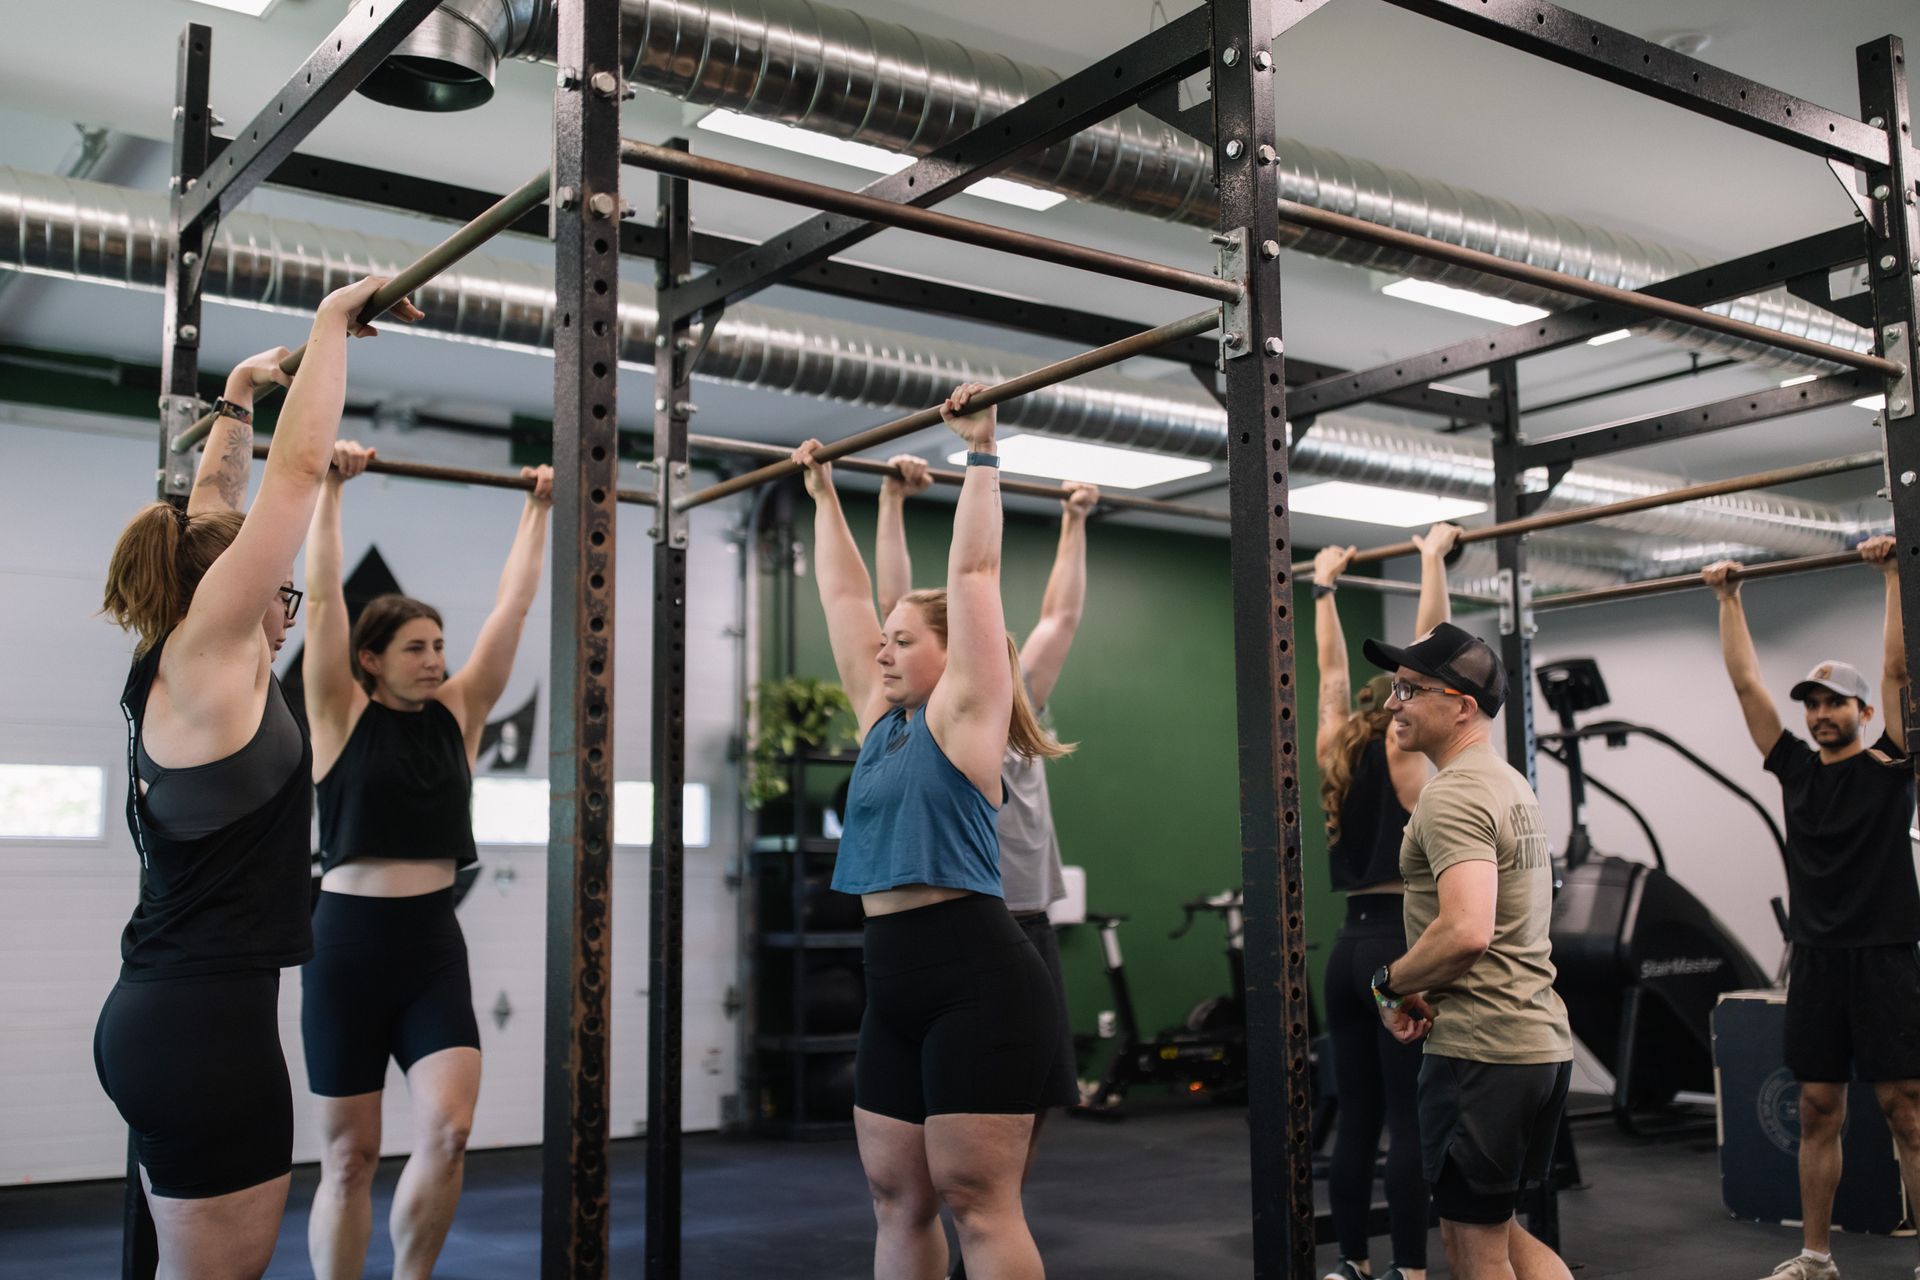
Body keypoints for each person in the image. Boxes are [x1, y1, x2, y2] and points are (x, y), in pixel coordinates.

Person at [95, 277, 417, 1280]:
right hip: (201, 1031)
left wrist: (238, 390)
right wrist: (331, 326)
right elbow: (294, 480)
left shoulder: (175, 652)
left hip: (178, 1015)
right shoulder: (212, 648)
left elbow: (219, 507)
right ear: (230, 593)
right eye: (280, 592)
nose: (288, 609)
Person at [791, 382, 1069, 1280]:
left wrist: (981, 452)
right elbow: (842, 599)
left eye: (903, 640)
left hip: (976, 977)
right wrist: (824, 493)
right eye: (888, 640)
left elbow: (975, 576)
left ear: (955, 656)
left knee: (978, 1205)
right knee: (896, 1201)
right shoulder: (883, 721)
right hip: (892, 980)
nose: (882, 650)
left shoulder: (967, 716)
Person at [300, 440, 554, 1279]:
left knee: (448, 1131)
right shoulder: (338, 711)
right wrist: (331, 489)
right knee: (350, 1158)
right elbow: (327, 600)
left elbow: (511, 613)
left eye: (439, 643)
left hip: (430, 946)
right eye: (415, 646)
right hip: (345, 945)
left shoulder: (459, 713)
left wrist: (539, 508)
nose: (437, 658)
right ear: (371, 660)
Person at [874, 455, 1096, 1272]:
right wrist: (891, 503)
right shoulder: (934, 720)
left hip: (1022, 931)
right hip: (963, 927)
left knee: (1020, 1132)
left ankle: (987, 1236)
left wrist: (1074, 521)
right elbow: (887, 614)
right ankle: (978, 1226)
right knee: (945, 1162)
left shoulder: (1013, 697)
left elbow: (1060, 615)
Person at [1702, 537, 1920, 1280]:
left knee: (1907, 1112)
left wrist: (1893, 575)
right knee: (1819, 1107)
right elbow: (1747, 687)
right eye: (1814, 704)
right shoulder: (1795, 770)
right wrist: (1729, 600)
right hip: (1818, 961)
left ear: (1862, 711)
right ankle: (1816, 1258)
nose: (1822, 713)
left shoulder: (1891, 765)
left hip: (1887, 954)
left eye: (1835, 703)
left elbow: (1897, 668)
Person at [1362, 622, 1574, 1280]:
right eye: (1396, 688)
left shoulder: (1451, 795)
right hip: (1535, 1045)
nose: (1393, 703)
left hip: (1482, 1053)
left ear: (1462, 706)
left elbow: (1466, 932)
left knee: (1471, 1249)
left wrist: (1388, 982)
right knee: (1499, 1231)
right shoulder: (1509, 784)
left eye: (1411, 689)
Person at [1312, 524, 1461, 1280]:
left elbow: (1330, 674)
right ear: (1399, 705)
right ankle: (1410, 1269)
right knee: (1406, 1120)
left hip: (1343, 953)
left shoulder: (1335, 749)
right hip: (1395, 949)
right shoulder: (1406, 747)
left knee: (1358, 1122)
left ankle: (1351, 1263)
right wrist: (1430, 558)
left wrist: (1324, 589)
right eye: (1404, 694)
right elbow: (1429, 645)